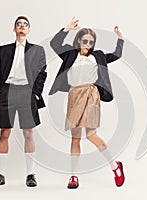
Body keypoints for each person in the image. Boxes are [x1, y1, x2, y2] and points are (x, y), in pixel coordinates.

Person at [49, 17, 125, 189]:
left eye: (91, 42)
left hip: (91, 94)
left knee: (91, 135)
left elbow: (117, 54)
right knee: (75, 138)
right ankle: (73, 176)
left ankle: (115, 167)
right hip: (74, 95)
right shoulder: (69, 54)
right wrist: (66, 29)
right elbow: (54, 44)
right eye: (85, 41)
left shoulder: (98, 56)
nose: (88, 44)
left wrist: (120, 38)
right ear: (78, 40)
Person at [0, 16, 47, 187]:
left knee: (28, 133)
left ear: (28, 30)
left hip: (27, 92)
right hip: (7, 91)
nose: (22, 26)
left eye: (25, 24)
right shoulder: (3, 50)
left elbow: (42, 72)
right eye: (19, 24)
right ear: (14, 29)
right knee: (4, 133)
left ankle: (30, 174)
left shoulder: (37, 50)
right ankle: (0, 175)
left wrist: (35, 93)